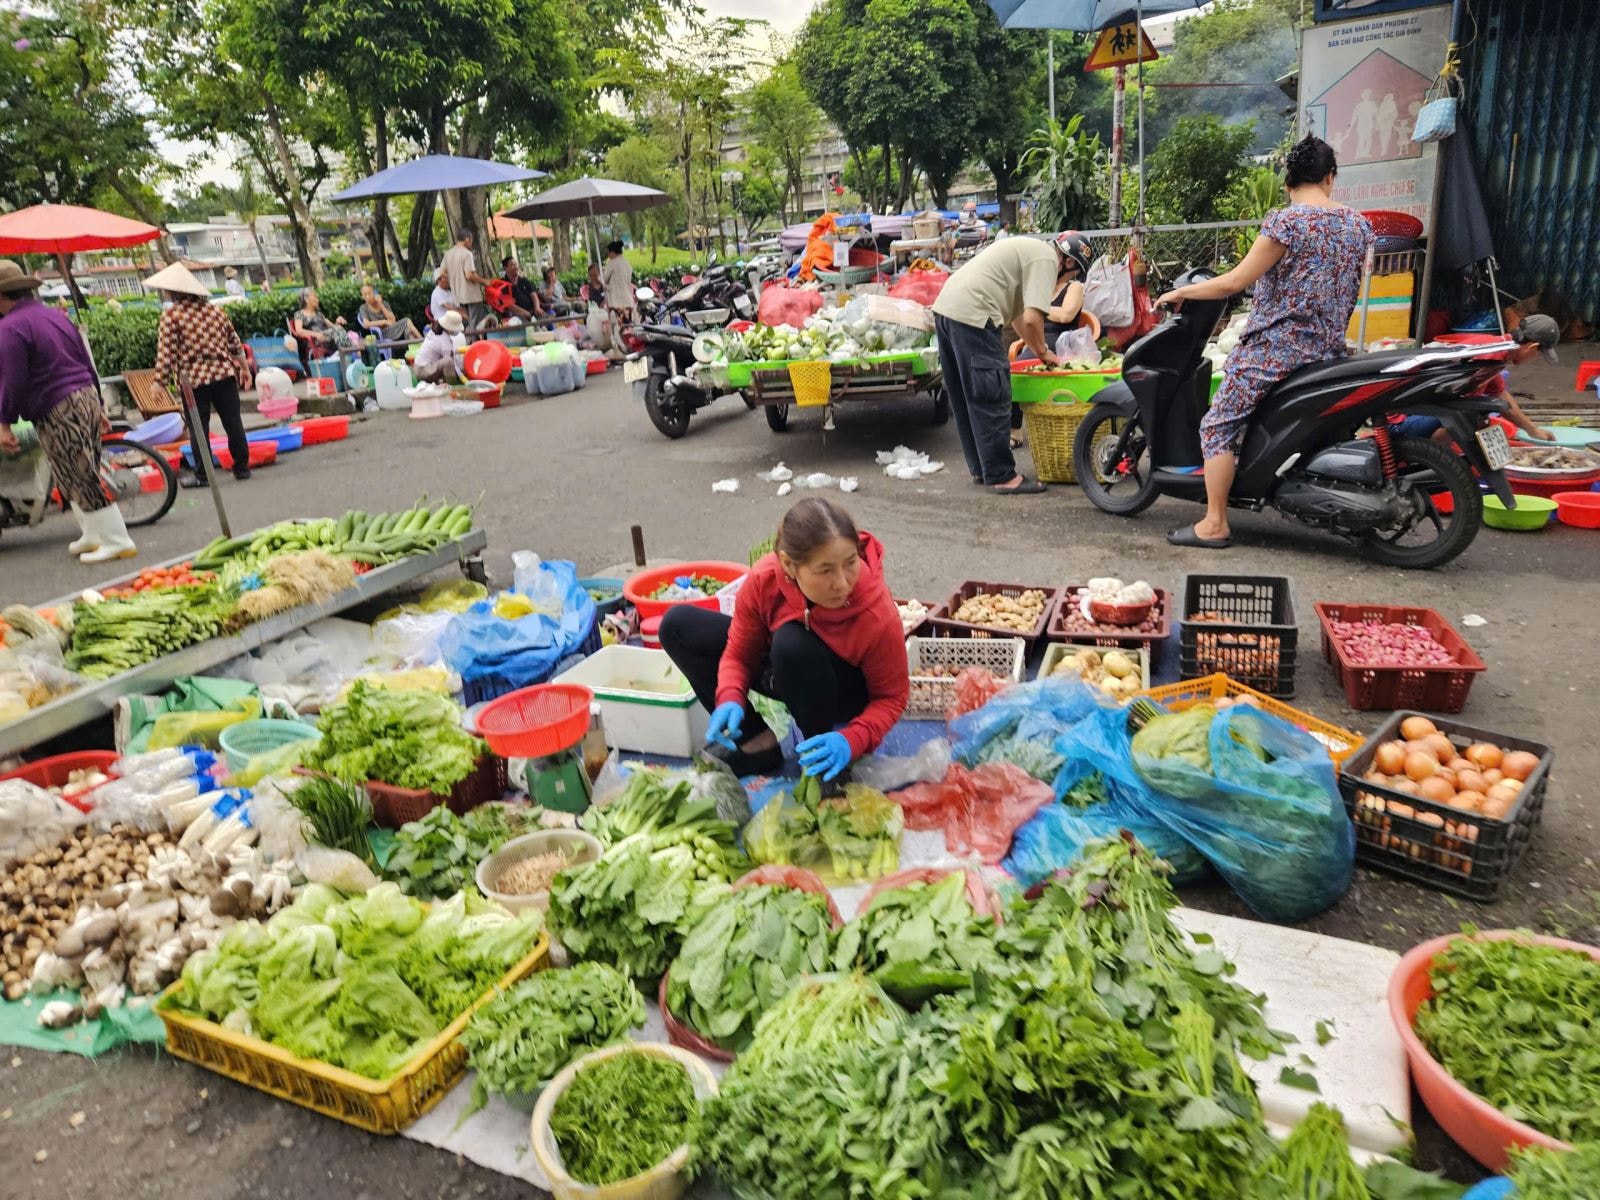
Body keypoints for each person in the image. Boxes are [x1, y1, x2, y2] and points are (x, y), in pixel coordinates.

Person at [1156, 135, 1375, 549]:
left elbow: (1237, 281)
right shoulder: (1358, 225)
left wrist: (1181, 293)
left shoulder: (1286, 222)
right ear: (1330, 178)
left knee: (1217, 425)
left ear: (1288, 179)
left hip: (1276, 349)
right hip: (1329, 349)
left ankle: (1215, 522)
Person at [659, 497, 909, 784]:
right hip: (786, 672)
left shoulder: (875, 610)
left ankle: (822, 758)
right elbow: (739, 654)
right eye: (825, 570)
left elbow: (892, 697)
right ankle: (756, 742)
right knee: (678, 626)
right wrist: (729, 695)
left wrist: (853, 738)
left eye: (850, 562)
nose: (842, 582)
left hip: (844, 690)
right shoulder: (765, 580)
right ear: (789, 565)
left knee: (791, 642)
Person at [0, 259, 137, 563]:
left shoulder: (9, 327)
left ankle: (117, 539)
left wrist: (4, 422)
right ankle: (91, 534)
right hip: (84, 394)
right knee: (67, 473)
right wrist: (99, 405)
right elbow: (85, 360)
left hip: (58, 404)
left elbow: (13, 380)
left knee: (80, 473)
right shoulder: (54, 316)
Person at [931, 232, 1080, 495]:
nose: (1069, 280)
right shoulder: (1047, 259)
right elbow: (1035, 318)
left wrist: (1039, 352)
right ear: (1067, 263)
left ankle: (982, 467)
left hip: (947, 308)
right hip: (975, 312)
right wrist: (1044, 349)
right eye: (1073, 274)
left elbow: (1019, 318)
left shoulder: (1030, 252)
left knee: (969, 395)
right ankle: (1002, 475)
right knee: (993, 392)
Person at [148, 263, 254, 489]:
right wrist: (244, 369)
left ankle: (204, 474)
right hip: (224, 373)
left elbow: (166, 353)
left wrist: (159, 382)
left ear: (173, 291)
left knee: (199, 428)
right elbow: (235, 345)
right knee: (233, 422)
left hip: (193, 380)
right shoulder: (216, 311)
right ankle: (242, 467)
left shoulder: (172, 316)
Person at [1010, 230, 1093, 450]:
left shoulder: (1074, 287)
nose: (1051, 258)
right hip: (1036, 342)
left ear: (1068, 262)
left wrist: (1036, 308)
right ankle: (1014, 429)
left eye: (1056, 254)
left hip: (1058, 344)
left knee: (1019, 367)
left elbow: (1066, 315)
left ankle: (1016, 428)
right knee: (1009, 367)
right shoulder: (1043, 284)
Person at [441, 229, 493, 328]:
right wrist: (485, 282)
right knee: (477, 325)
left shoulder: (448, 254)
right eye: (471, 240)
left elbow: (442, 272)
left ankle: (467, 343)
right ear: (467, 239)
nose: (471, 243)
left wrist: (454, 279)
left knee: (464, 324)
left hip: (457, 296)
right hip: (471, 296)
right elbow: (469, 275)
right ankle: (476, 343)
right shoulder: (466, 253)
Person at [356, 283, 421, 346]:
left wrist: (381, 304)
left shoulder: (384, 303)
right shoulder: (363, 308)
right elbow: (367, 324)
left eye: (369, 293)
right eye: (365, 295)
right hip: (381, 334)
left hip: (392, 330)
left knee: (408, 330)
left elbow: (393, 320)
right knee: (407, 321)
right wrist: (384, 322)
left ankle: (416, 352)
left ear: (375, 293)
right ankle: (423, 342)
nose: (367, 296)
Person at [290, 287, 346, 359]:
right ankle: (348, 353)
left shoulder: (319, 314)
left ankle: (346, 353)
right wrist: (316, 334)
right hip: (315, 341)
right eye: (315, 297)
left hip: (326, 337)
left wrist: (338, 322)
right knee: (341, 334)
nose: (318, 300)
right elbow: (299, 331)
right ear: (306, 299)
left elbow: (334, 327)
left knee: (340, 329)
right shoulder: (299, 314)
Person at [413, 309, 465, 384]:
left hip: (420, 367)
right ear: (450, 329)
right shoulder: (444, 340)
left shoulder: (436, 331)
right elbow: (452, 364)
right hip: (423, 371)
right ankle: (452, 386)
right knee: (449, 362)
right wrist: (462, 377)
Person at [601, 241, 634, 330]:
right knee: (629, 327)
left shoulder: (612, 263)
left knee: (620, 329)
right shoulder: (627, 263)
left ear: (612, 252)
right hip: (628, 301)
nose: (608, 255)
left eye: (609, 253)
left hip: (617, 303)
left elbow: (605, 278)